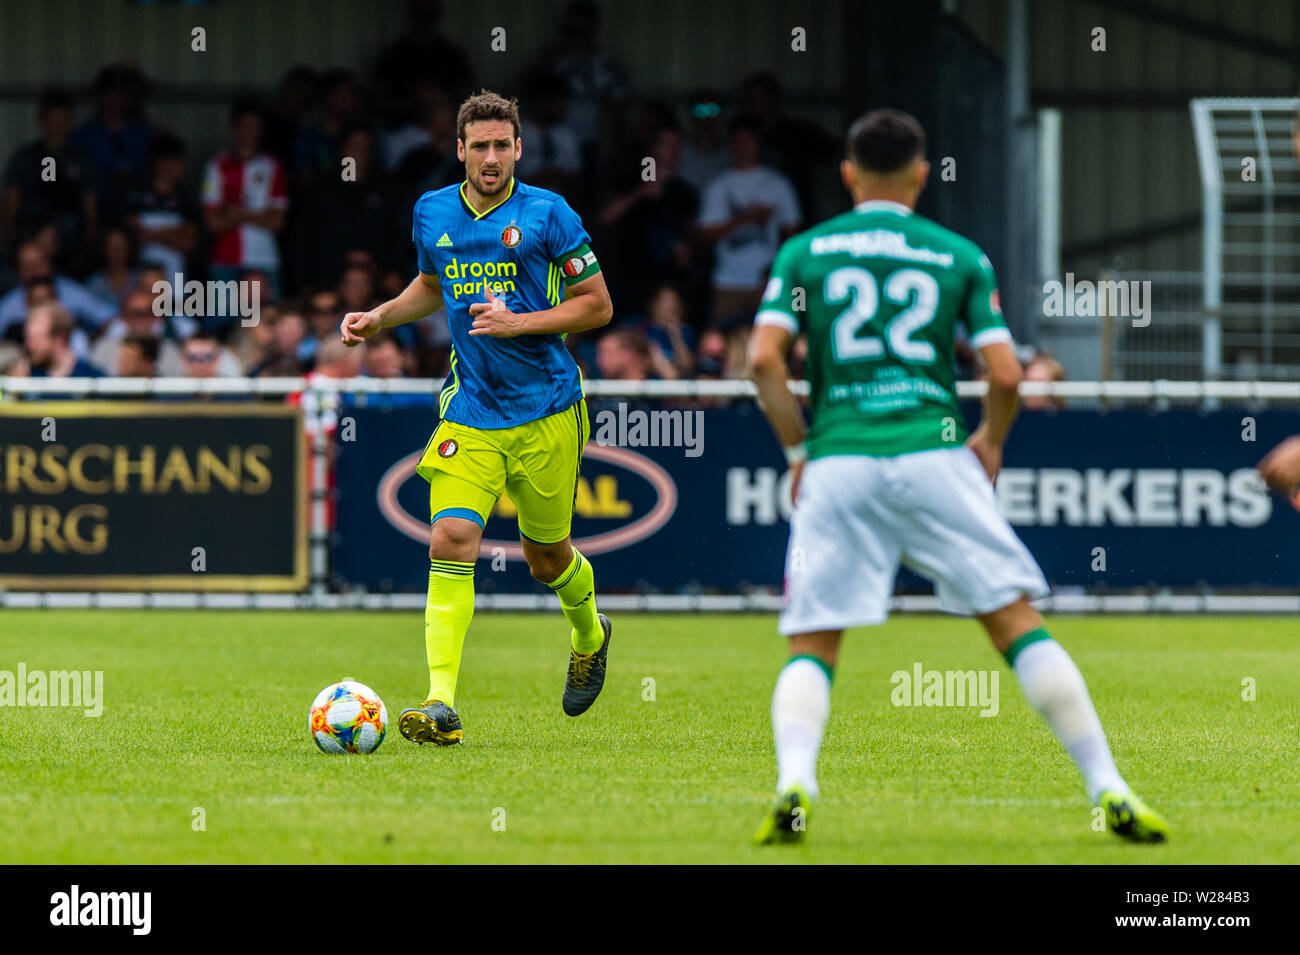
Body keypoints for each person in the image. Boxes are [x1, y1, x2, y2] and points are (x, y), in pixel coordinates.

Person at [746, 108, 1169, 847]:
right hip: (936, 451)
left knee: (813, 640)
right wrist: (991, 442)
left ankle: (796, 781)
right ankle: (1108, 785)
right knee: (1014, 622)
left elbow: (761, 360)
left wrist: (796, 452)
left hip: (840, 458)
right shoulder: (958, 255)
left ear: (847, 173)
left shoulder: (806, 253)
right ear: (920, 173)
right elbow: (1005, 372)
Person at [340, 90, 614, 746]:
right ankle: (440, 702)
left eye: (502, 145)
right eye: (479, 146)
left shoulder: (549, 213)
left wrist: (519, 322)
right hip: (471, 408)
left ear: (518, 149)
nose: (491, 158)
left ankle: (590, 633)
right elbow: (432, 286)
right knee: (451, 539)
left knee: (546, 559)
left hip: (548, 406)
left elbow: (597, 305)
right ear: (459, 149)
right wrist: (381, 317)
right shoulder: (432, 211)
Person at [698, 114, 800, 326]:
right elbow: (705, 235)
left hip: (767, 280)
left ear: (758, 142)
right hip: (726, 280)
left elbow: (793, 234)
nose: (744, 146)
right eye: (739, 140)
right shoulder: (718, 185)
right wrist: (744, 218)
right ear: (731, 144)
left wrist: (780, 272)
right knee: (719, 346)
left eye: (749, 139)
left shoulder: (777, 183)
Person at [202, 98, 289, 308]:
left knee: (267, 322)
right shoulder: (217, 166)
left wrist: (236, 214)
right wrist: (259, 216)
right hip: (226, 259)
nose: (249, 132)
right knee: (221, 320)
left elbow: (278, 221)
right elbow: (212, 222)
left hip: (265, 259)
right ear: (234, 127)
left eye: (254, 127)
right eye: (244, 126)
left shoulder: (273, 167)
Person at [15, 302, 103, 378]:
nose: (29, 346)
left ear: (59, 340)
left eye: (36, 340)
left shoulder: (93, 381)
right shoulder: (24, 377)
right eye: (28, 339)